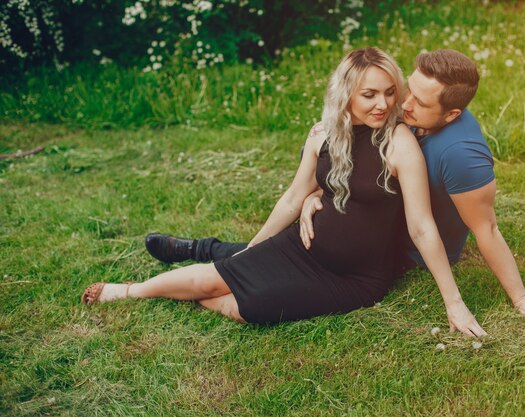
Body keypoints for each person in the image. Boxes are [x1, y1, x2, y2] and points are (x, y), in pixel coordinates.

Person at [82, 47, 487, 337]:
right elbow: (294, 198)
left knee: (249, 306)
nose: (382, 104)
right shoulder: (323, 135)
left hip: (356, 277)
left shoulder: (399, 143)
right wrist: (252, 252)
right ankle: (127, 292)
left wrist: (454, 301)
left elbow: (420, 226)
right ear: (346, 94)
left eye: (388, 93)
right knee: (213, 279)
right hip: (303, 245)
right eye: (369, 95)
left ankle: (201, 268)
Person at [146, 49, 525, 321]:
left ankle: (204, 255)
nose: (399, 104)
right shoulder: (383, 116)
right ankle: (199, 250)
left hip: (390, 252)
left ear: (450, 115)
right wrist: (317, 193)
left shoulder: (460, 156)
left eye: (415, 102)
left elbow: (484, 229)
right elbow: (334, 166)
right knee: (265, 255)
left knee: (255, 289)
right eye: (407, 91)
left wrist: (519, 297)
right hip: (346, 226)